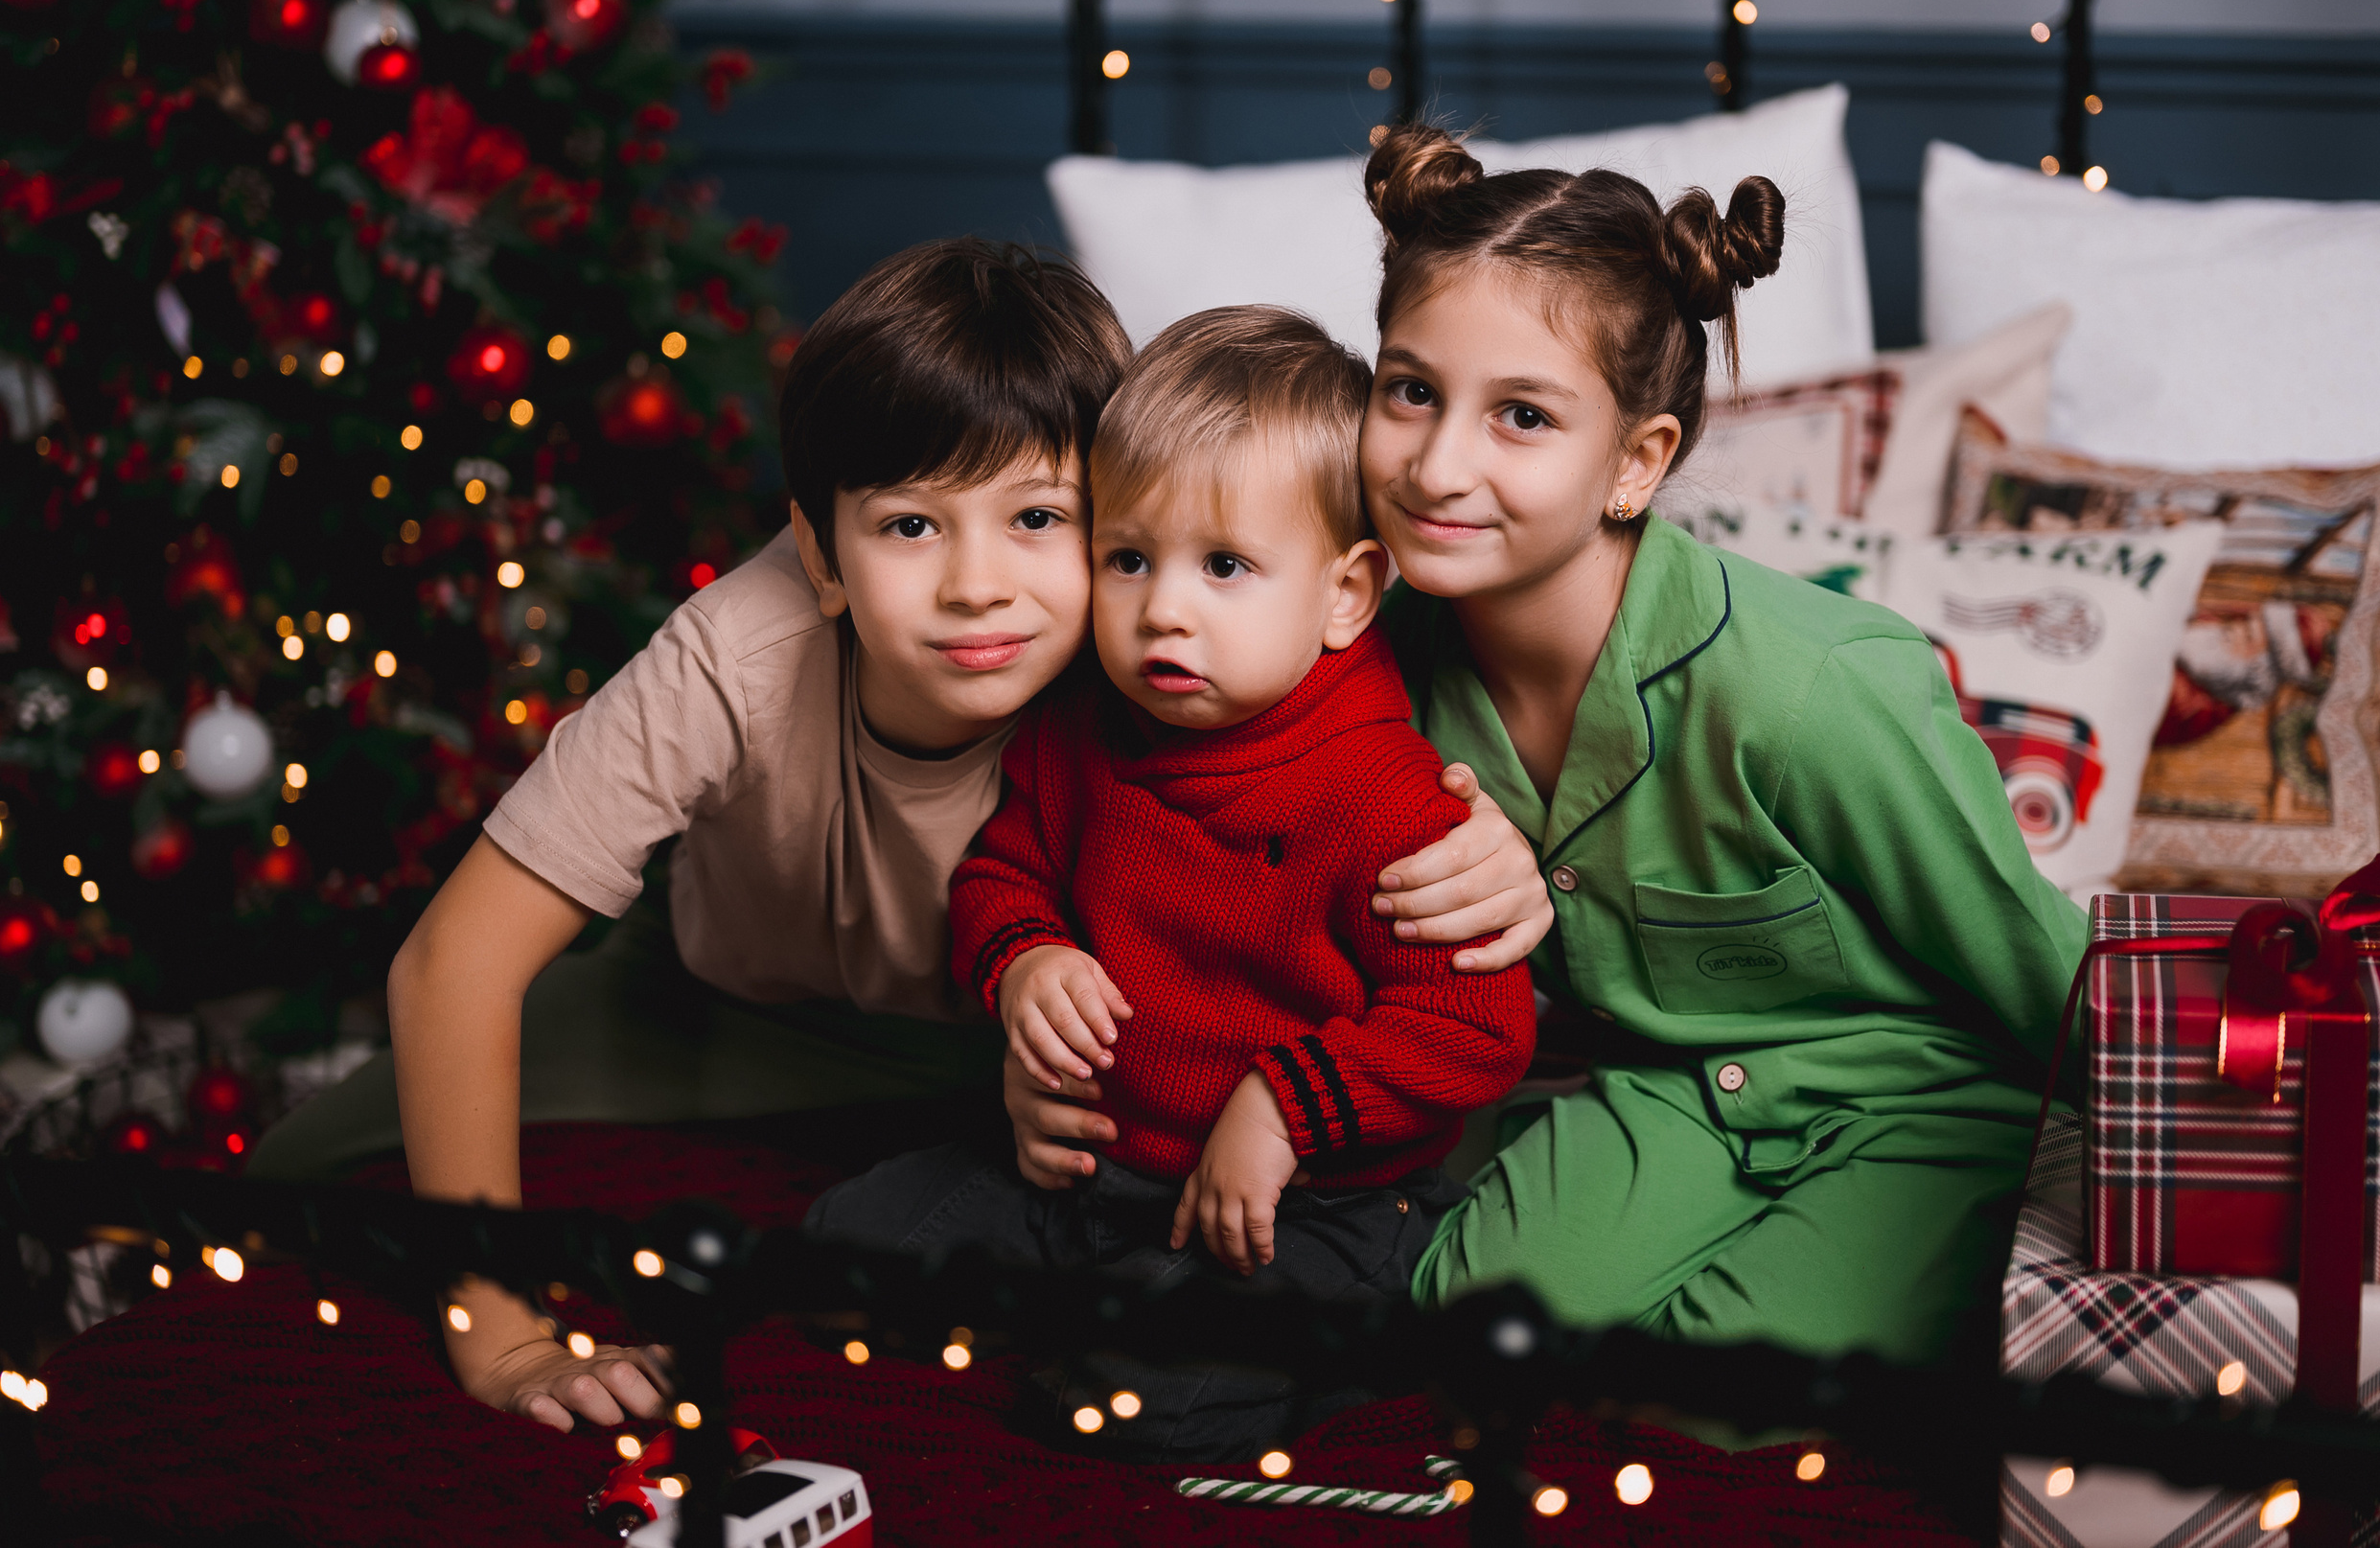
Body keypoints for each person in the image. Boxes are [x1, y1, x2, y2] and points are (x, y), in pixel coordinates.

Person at [251, 240, 1554, 1431]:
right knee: (314, 1165)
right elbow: (451, 963)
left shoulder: (1182, 625)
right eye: (911, 525)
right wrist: (501, 1329)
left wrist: (1509, 851)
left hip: (1075, 1058)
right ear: (822, 554)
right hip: (734, 999)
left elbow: (1398, 716)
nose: (978, 582)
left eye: (1043, 518)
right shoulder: (743, 651)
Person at [1011, 133, 2088, 1370]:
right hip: (1665, 1088)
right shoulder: (1355, 641)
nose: (1436, 463)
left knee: (1728, 1386)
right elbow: (1190, 853)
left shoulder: (1813, 689)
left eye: (1521, 415)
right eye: (1410, 390)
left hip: (1916, 1097)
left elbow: (2043, 974)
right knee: (1472, 1338)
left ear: (1635, 462)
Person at [803, 308, 1537, 1460]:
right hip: (1085, 1167)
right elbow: (1005, 870)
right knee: (834, 1261)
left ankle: (1358, 1325)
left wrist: (1286, 1105)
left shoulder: (1391, 798)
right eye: (1128, 556)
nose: (1163, 609)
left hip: (1299, 1207)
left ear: (1346, 595)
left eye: (1226, 565)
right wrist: (1026, 958)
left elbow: (1471, 1026)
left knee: (1121, 1404)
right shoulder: (1086, 728)